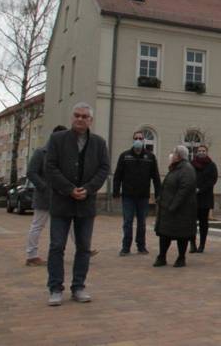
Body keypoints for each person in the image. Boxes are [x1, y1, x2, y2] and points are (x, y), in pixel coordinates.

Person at [44, 102, 110, 306]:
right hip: (62, 201)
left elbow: (103, 169)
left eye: (84, 116)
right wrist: (69, 188)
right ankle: (55, 288)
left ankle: (78, 286)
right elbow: (50, 167)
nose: (80, 119)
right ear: (72, 117)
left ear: (90, 120)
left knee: (83, 247)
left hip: (86, 203)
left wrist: (88, 189)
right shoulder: (57, 139)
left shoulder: (99, 143)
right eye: (77, 115)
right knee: (56, 246)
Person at [112, 130, 161, 256]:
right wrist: (116, 192)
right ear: (133, 140)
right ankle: (126, 247)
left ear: (143, 140)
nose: (138, 140)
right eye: (136, 138)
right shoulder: (125, 156)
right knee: (127, 222)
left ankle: (141, 246)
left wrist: (158, 194)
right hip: (128, 195)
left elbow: (155, 176)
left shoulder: (150, 157)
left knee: (142, 223)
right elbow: (118, 175)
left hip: (143, 196)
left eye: (140, 138)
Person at [25, 125, 67, 267]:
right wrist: (43, 187)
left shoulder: (62, 155)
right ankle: (31, 255)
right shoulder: (41, 152)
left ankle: (83, 248)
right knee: (37, 225)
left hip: (60, 197)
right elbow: (31, 172)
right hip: (44, 197)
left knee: (70, 224)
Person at [154, 146, 197, 268]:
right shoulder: (175, 168)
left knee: (181, 235)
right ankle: (162, 256)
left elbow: (184, 190)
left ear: (178, 156)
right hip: (168, 208)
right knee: (164, 234)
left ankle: (181, 257)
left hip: (181, 210)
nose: (171, 155)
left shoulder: (187, 169)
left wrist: (173, 206)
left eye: (173, 153)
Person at [189, 144, 218, 253]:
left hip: (205, 197)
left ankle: (202, 244)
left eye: (204, 150)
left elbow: (212, 180)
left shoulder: (211, 165)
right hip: (192, 197)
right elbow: (188, 177)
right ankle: (192, 243)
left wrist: (200, 189)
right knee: (191, 222)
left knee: (203, 222)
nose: (202, 152)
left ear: (207, 152)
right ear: (197, 152)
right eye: (200, 150)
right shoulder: (191, 164)